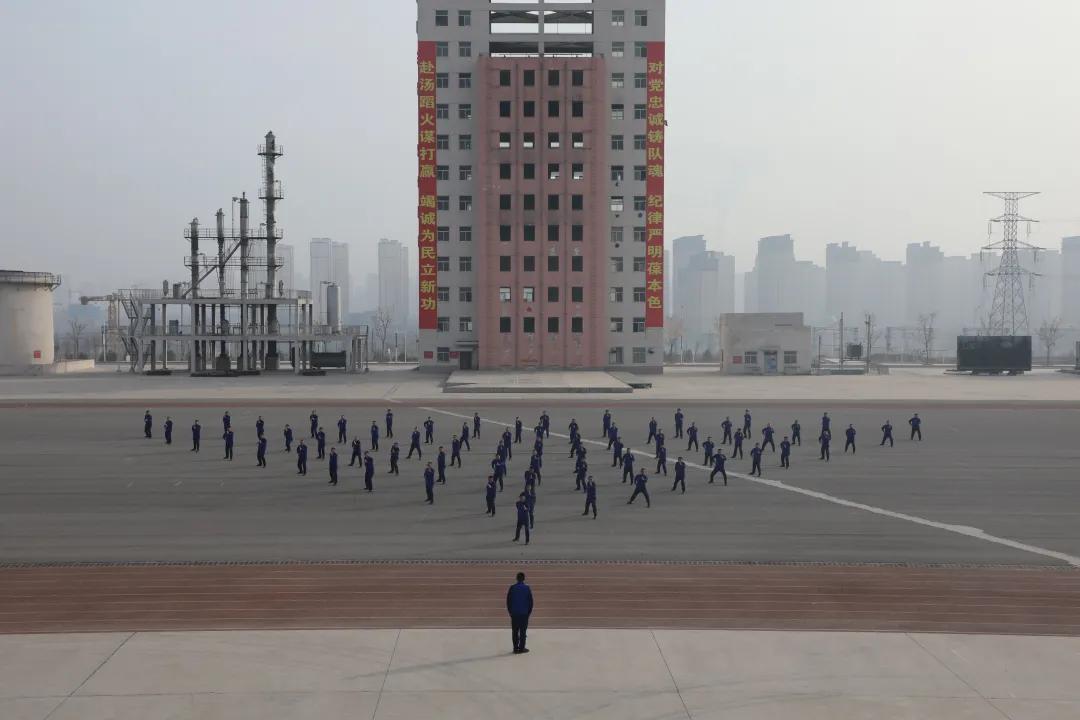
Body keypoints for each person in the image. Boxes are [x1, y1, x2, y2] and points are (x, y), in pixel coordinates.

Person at [507, 572, 534, 653]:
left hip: (514, 613)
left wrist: (510, 612)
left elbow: (508, 601)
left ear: (517, 578)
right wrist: (528, 613)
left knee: (515, 632)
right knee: (523, 632)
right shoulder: (527, 588)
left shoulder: (512, 588)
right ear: (524, 579)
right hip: (524, 614)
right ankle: (522, 648)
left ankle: (515, 648)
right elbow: (531, 602)